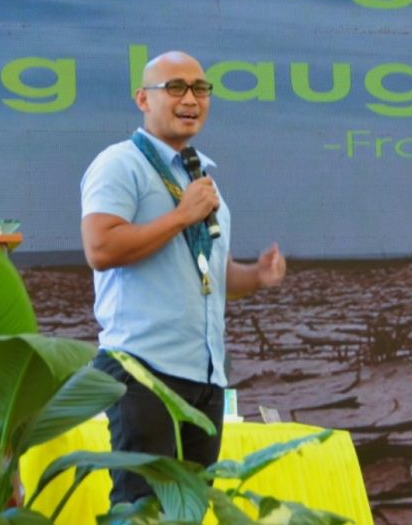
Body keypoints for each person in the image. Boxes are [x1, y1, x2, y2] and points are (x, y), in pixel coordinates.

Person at [81, 50, 286, 504]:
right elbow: (100, 248)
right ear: (142, 98)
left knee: (188, 512)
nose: (190, 98)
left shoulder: (198, 175)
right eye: (175, 87)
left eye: (200, 88)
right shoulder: (121, 164)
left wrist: (256, 275)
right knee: (144, 510)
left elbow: (210, 273)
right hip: (143, 372)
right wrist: (180, 215)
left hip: (205, 378)